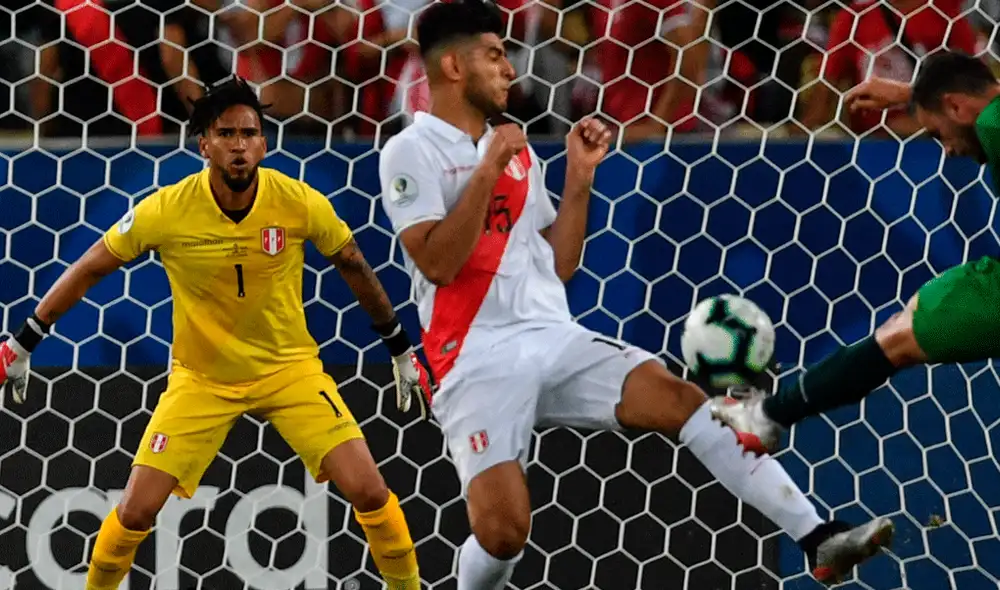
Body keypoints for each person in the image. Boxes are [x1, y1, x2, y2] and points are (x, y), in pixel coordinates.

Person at [378, 1, 894, 588]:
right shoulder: (410, 151)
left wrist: (579, 178)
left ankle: (817, 535)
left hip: (551, 336)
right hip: (473, 356)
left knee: (684, 399)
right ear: (452, 67)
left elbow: (560, 263)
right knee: (502, 533)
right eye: (494, 55)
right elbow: (438, 263)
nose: (509, 68)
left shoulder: (514, 148)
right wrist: (488, 170)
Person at [0, 77, 429, 590]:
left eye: (249, 133)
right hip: (201, 380)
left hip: (289, 370)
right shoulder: (166, 209)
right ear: (203, 144)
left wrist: (401, 349)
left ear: (265, 144)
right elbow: (91, 266)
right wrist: (24, 340)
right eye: (225, 133)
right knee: (135, 512)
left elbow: (354, 264)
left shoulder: (298, 202)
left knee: (371, 491)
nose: (239, 144)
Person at [711, 51, 1000, 456]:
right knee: (909, 324)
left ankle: (767, 416)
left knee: (901, 335)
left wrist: (909, 93)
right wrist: (912, 93)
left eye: (938, 134)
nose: (948, 150)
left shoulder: (991, 122)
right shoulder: (983, 117)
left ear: (956, 105)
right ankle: (768, 415)